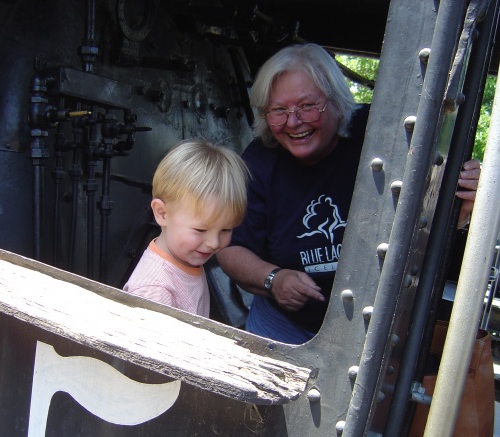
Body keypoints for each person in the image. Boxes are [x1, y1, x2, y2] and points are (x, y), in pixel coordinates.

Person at [216, 43, 480, 344]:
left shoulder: (382, 133)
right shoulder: (259, 161)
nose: (293, 122)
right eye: (278, 110)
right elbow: (230, 248)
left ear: (338, 103)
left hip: (377, 325)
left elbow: (430, 216)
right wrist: (274, 279)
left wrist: (461, 203)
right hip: (285, 324)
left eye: (307, 106)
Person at [124, 139, 250, 317]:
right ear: (162, 213)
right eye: (200, 230)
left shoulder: (186, 258)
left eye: (226, 230)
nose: (214, 243)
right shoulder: (154, 291)